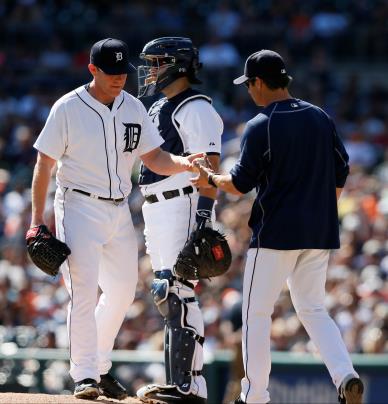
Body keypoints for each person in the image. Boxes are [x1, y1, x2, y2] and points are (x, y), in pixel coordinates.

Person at [29, 37, 201, 401]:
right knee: (84, 292)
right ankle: (85, 375)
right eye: (110, 72)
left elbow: (154, 157)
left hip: (119, 208)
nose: (119, 77)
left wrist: (183, 163)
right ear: (92, 69)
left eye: (123, 71)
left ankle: (99, 366)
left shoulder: (133, 106)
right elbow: (44, 164)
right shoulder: (68, 107)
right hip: (78, 205)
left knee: (122, 292)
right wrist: (36, 220)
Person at [191, 50, 364, 404]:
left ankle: (254, 396)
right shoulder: (319, 117)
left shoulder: (261, 124)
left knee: (256, 313)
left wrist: (209, 176)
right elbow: (342, 169)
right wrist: (319, 209)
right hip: (319, 234)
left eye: (249, 84)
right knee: (313, 309)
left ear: (258, 82)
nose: (249, 91)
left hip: (275, 235)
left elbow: (238, 184)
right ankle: (345, 376)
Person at [135, 37, 223, 404]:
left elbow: (210, 167)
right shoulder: (159, 106)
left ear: (177, 64)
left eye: (156, 62)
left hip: (183, 203)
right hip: (157, 205)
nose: (150, 69)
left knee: (176, 291)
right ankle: (181, 383)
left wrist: (203, 218)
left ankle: (188, 386)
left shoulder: (196, 107)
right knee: (167, 291)